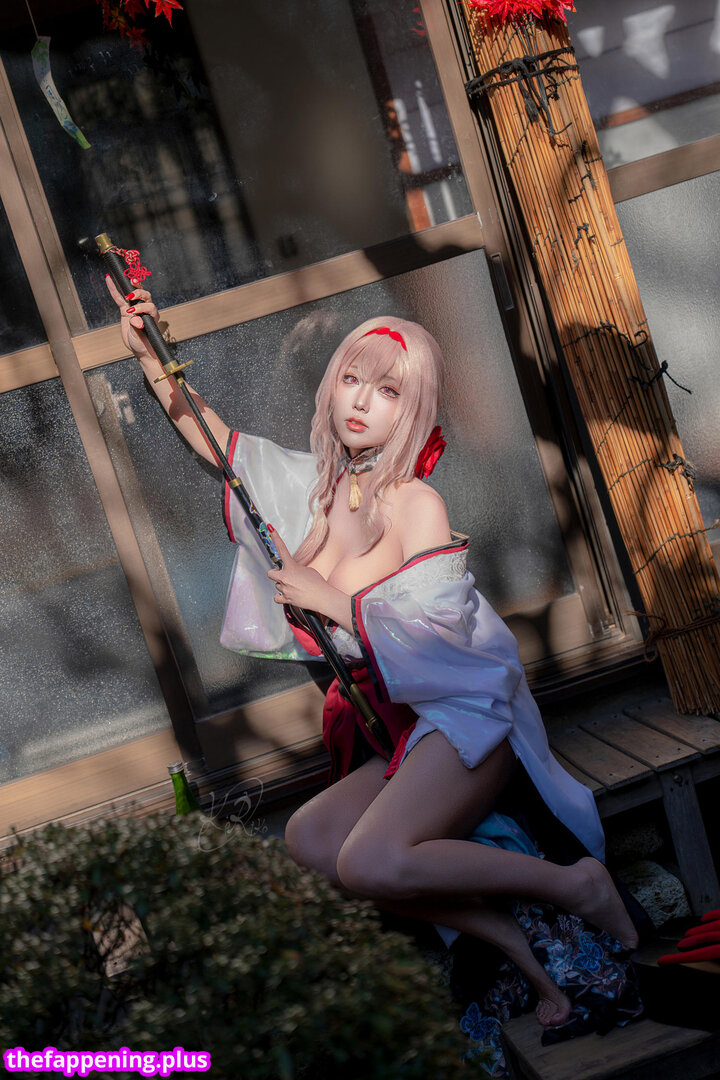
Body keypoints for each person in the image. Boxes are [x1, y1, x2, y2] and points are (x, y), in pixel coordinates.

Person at [108, 277, 639, 1028]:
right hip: (397, 730)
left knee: (366, 860)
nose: (361, 400)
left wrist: (331, 600)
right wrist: (150, 356)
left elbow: (441, 635)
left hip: (463, 720)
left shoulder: (418, 504)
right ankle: (515, 946)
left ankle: (575, 885)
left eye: (388, 391)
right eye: (351, 379)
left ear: (413, 410)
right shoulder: (317, 490)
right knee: (311, 840)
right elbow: (217, 442)